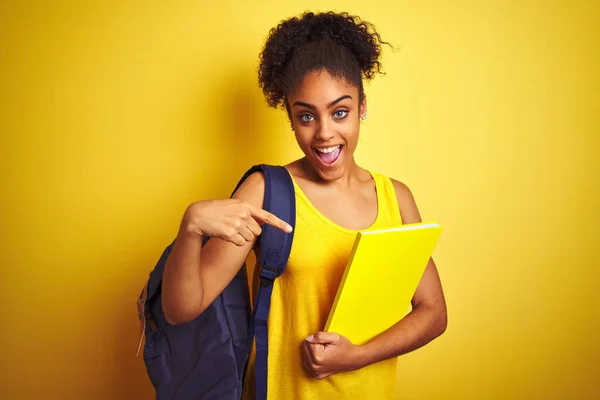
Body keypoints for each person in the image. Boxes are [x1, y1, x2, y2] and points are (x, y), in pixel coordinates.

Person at [162, 11, 447, 400]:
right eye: (306, 116)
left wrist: (356, 356)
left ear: (362, 106)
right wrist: (190, 227)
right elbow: (182, 309)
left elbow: (433, 312)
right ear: (291, 118)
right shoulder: (267, 191)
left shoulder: (396, 197)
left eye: (340, 112)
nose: (325, 133)